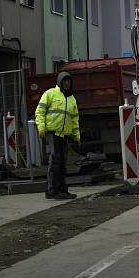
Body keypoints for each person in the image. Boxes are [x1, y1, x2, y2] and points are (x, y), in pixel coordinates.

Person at [35, 72, 82, 200]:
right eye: (65, 81)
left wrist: (76, 136)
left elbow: (74, 120)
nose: (67, 83)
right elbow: (40, 111)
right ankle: (56, 190)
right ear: (60, 82)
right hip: (52, 133)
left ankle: (57, 189)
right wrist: (42, 128)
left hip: (64, 135)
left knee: (61, 163)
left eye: (69, 81)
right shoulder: (50, 94)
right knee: (57, 161)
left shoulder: (72, 99)